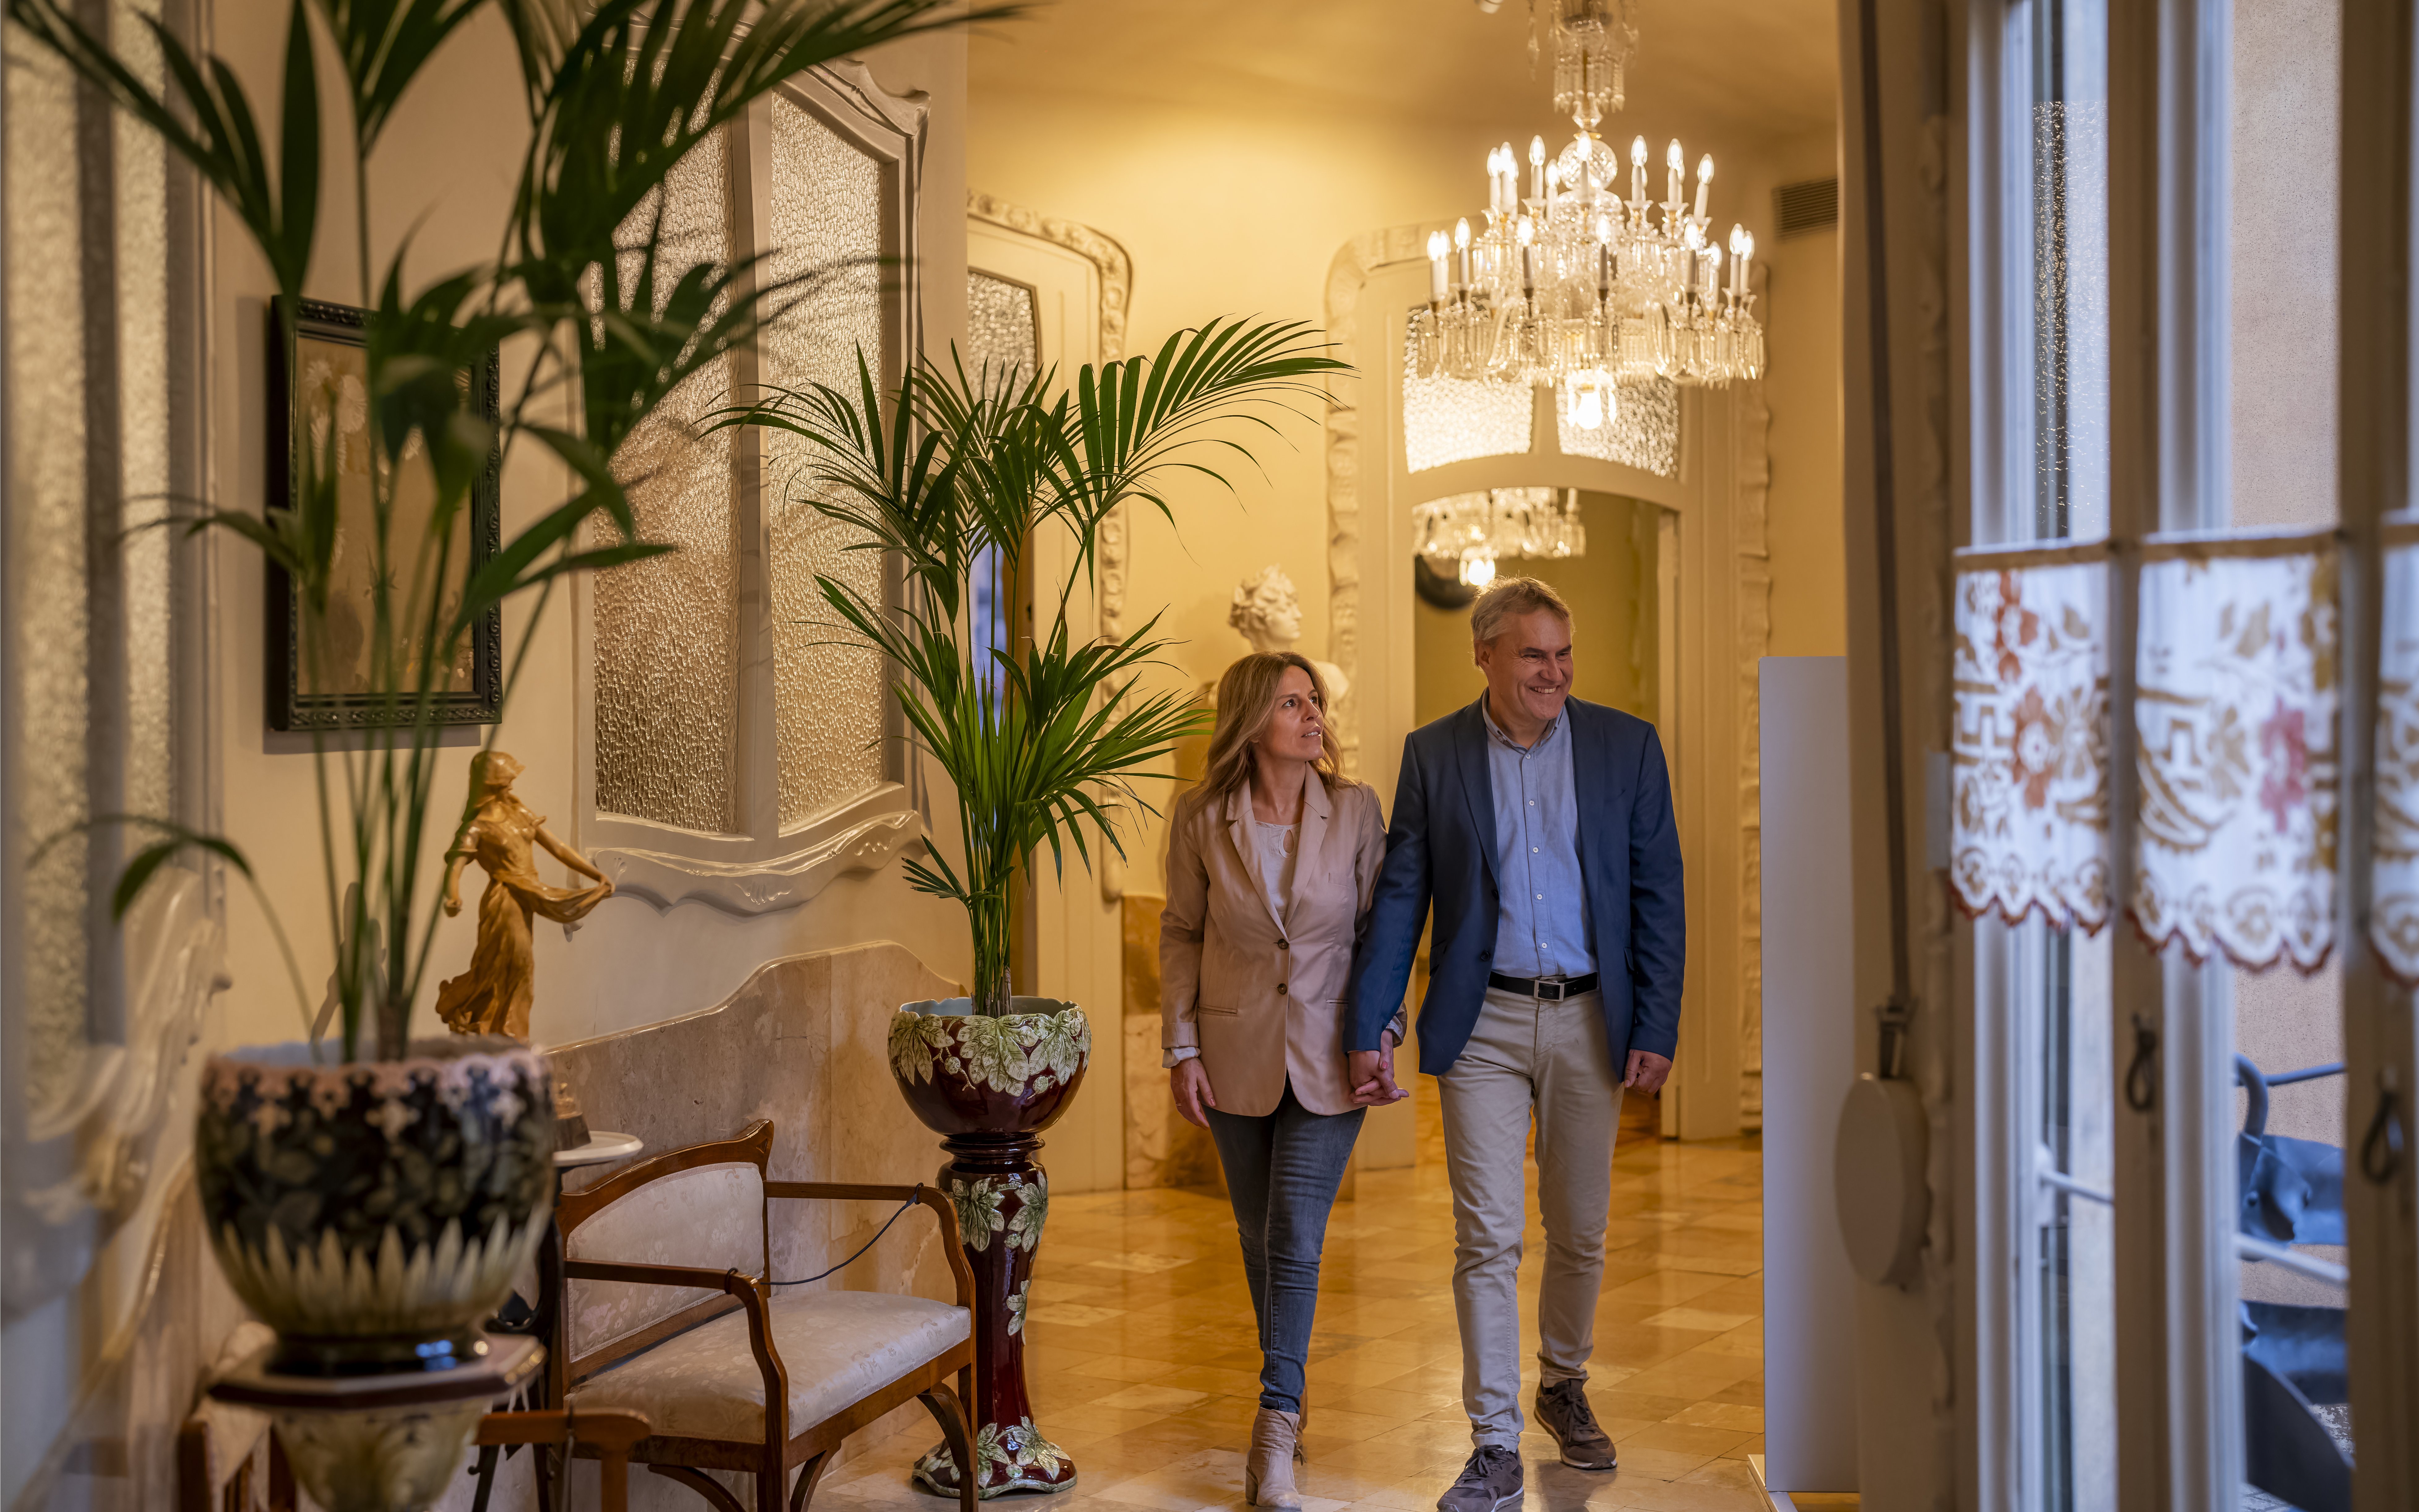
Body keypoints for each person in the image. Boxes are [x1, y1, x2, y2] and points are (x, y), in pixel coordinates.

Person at [1344, 577, 1684, 1512]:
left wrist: (1654, 1022)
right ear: (1485, 655)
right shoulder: (1435, 754)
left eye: (1564, 652)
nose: (1554, 671)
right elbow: (1405, 895)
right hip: (1482, 1020)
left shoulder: (1626, 747)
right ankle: (1491, 1439)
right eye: (1533, 654)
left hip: (1590, 1018)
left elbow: (1658, 890)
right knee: (1486, 1235)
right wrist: (1372, 1018)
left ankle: (1562, 1385)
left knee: (1579, 1228)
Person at [1160, 652, 1405, 1509]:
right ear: (1252, 719)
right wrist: (1180, 1049)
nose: (1314, 718)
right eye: (1294, 703)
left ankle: (1272, 1425)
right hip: (1233, 1057)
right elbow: (1181, 934)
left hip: (1333, 1056)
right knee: (1258, 1239)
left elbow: (1383, 933)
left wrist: (1381, 1032)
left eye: (1317, 703)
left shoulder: (1355, 810)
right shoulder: (1200, 815)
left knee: (1295, 1236)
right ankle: (1292, 1393)